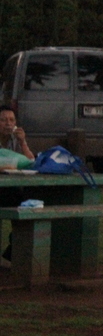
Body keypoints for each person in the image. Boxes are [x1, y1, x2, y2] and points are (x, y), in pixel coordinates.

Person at [0, 105, 33, 268]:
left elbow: (30, 162)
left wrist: (23, 142)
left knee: (29, 203)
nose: (8, 124)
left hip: (9, 188)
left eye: (11, 120)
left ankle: (12, 254)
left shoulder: (14, 140)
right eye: (3, 120)